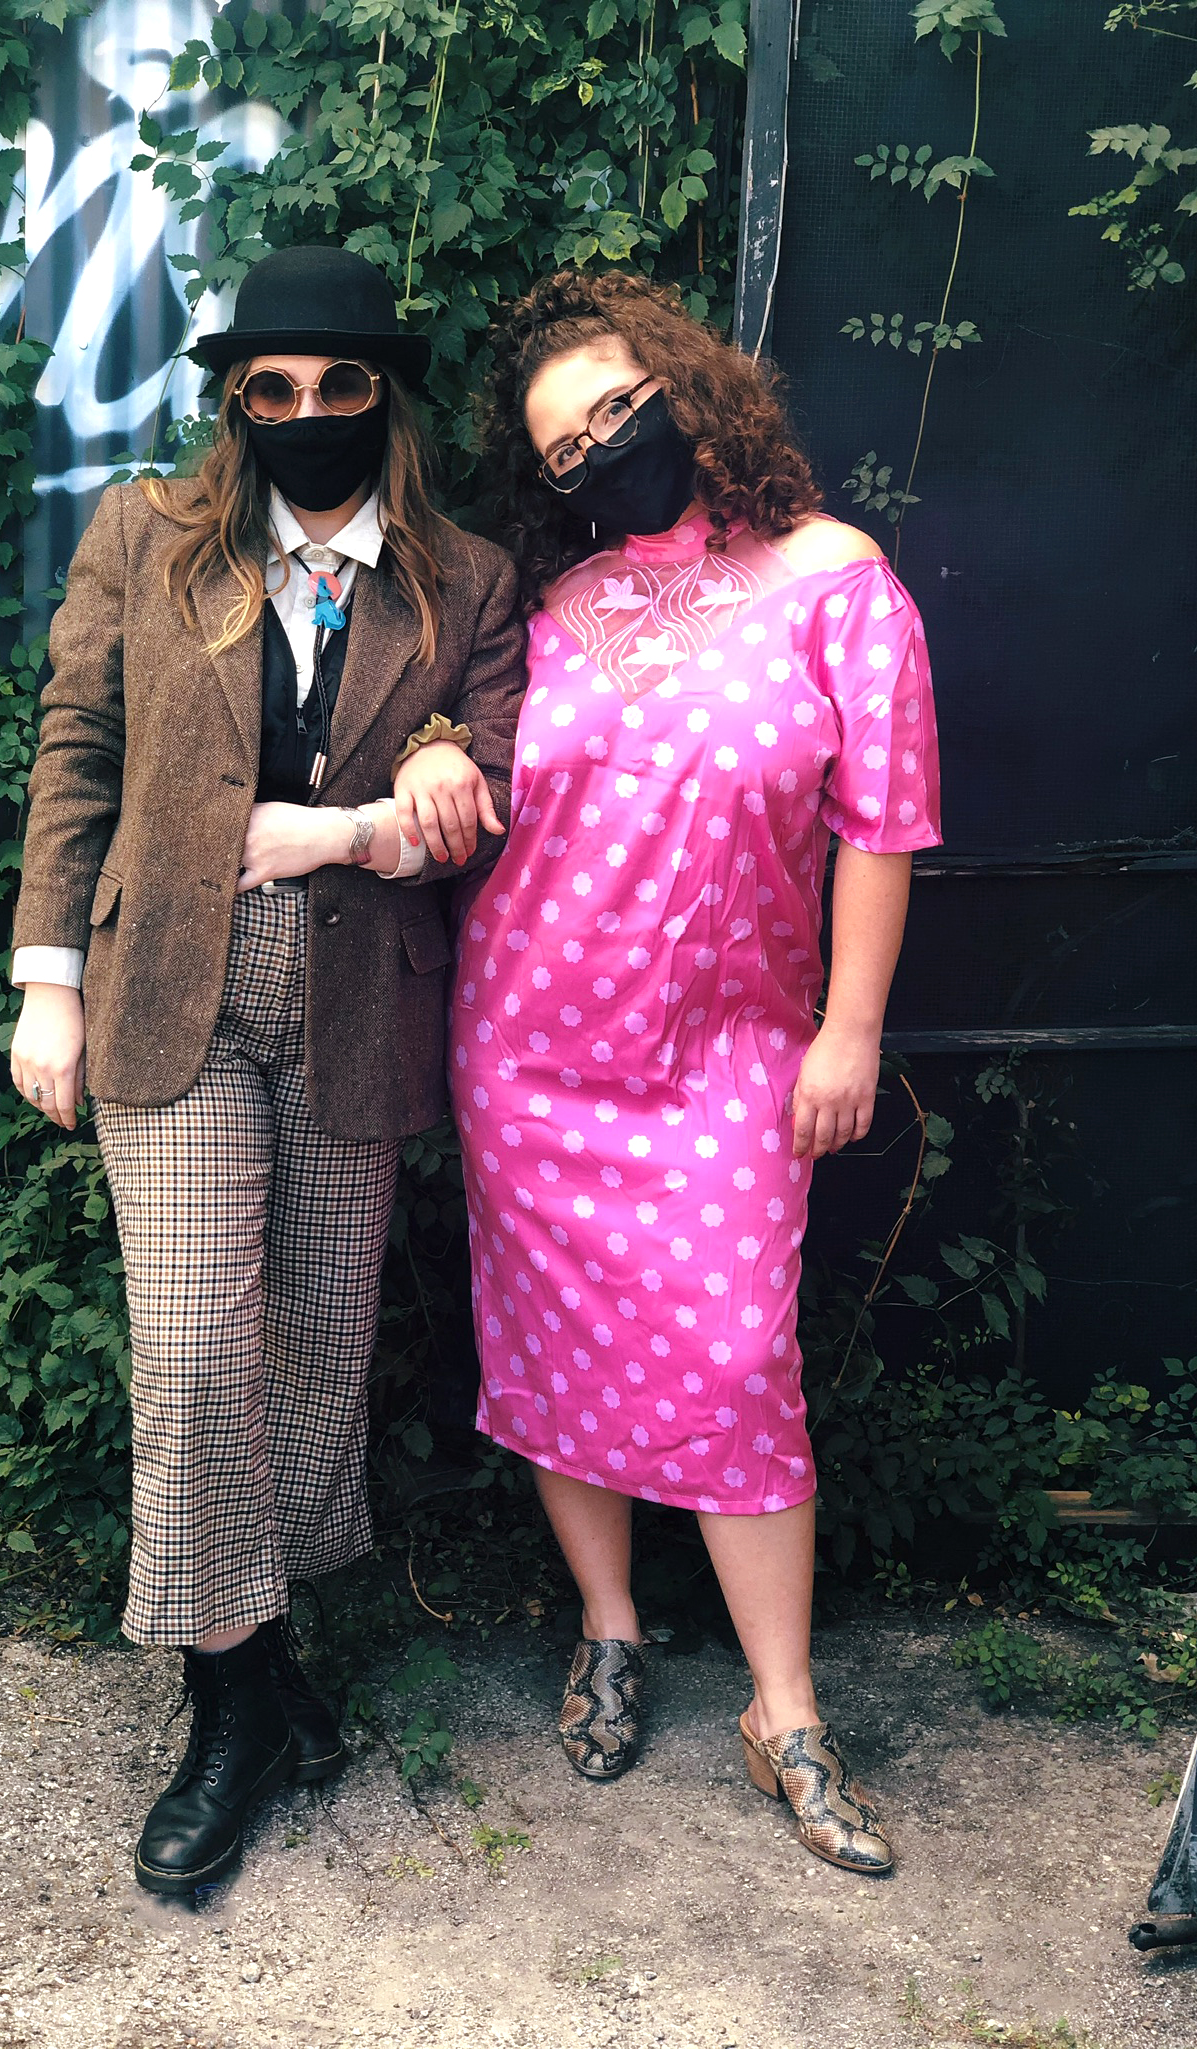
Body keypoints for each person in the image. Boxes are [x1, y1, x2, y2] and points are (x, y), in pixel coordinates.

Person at [6, 244, 525, 1898]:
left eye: (340, 385)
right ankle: (226, 1696)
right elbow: (78, 749)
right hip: (174, 991)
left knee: (312, 1344)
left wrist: (376, 815)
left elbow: (501, 775)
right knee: (190, 1349)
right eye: (273, 389)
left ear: (389, 394)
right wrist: (47, 984)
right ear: (237, 397)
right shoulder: (151, 539)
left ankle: (276, 1646)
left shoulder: (463, 576)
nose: (306, 415)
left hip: (359, 1003)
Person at [449, 268, 941, 1874]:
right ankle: (608, 1625)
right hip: (524, 1050)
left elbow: (881, 820)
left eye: (616, 408)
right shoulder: (546, 605)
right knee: (547, 1341)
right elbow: (460, 755)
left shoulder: (834, 582)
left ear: (686, 388)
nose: (600, 448)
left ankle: (780, 1707)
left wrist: (847, 1028)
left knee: (737, 1362)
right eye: (565, 445)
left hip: (732, 1054)